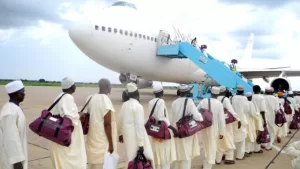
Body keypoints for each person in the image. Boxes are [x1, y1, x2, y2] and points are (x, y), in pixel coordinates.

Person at [49, 77, 87, 169]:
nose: (75, 86)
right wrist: (80, 115)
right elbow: (71, 118)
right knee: (71, 161)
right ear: (71, 86)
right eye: (74, 84)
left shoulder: (59, 96)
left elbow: (64, 113)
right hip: (67, 136)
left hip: (57, 134)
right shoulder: (68, 97)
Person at [117, 83, 154, 166]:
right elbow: (139, 126)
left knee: (130, 159)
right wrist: (141, 144)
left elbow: (119, 121)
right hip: (137, 139)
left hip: (127, 137)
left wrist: (120, 134)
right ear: (137, 93)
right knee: (141, 161)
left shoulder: (124, 105)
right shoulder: (138, 106)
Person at [86, 78, 118, 169]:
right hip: (103, 139)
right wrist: (111, 144)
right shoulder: (105, 100)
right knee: (103, 163)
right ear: (108, 87)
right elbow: (107, 124)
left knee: (94, 164)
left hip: (92, 137)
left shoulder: (90, 98)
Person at [170, 84, 203, 169]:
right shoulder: (189, 101)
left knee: (178, 153)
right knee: (186, 154)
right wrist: (201, 116)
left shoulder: (174, 102)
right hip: (186, 131)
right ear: (187, 92)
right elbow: (196, 116)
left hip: (176, 131)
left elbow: (171, 119)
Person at [148, 84, 177, 169]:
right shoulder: (161, 101)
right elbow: (161, 117)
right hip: (161, 132)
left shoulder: (150, 102)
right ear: (162, 92)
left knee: (157, 154)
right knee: (165, 155)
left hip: (154, 131)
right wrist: (173, 128)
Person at [0, 80, 27, 169]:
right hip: (12, 160)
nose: (24, 94)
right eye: (22, 92)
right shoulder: (9, 113)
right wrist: (17, 163)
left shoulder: (14, 108)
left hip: (17, 155)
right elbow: (11, 139)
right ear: (16, 94)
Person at [197, 87, 225, 169]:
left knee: (203, 145)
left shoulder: (204, 101)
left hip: (203, 127)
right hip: (213, 128)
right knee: (211, 146)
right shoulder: (219, 104)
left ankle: (203, 163)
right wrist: (222, 132)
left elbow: (196, 111)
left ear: (211, 93)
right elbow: (221, 119)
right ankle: (207, 166)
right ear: (218, 94)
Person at [216, 86, 240, 165]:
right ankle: (229, 158)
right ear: (225, 91)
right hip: (226, 122)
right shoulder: (225, 99)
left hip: (217, 122)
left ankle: (218, 158)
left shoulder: (215, 98)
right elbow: (231, 110)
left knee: (220, 140)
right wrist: (238, 119)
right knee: (229, 138)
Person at [230, 85, 248, 160]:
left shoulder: (233, 98)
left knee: (232, 136)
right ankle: (239, 156)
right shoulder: (245, 98)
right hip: (242, 119)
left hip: (234, 119)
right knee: (242, 138)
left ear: (237, 91)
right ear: (243, 91)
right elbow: (246, 109)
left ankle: (230, 155)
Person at [251, 85, 267, 153]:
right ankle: (257, 149)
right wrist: (264, 120)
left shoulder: (250, 97)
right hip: (259, 116)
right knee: (259, 132)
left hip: (251, 116)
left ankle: (251, 148)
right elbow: (262, 110)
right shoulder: (261, 98)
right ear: (259, 90)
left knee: (252, 131)